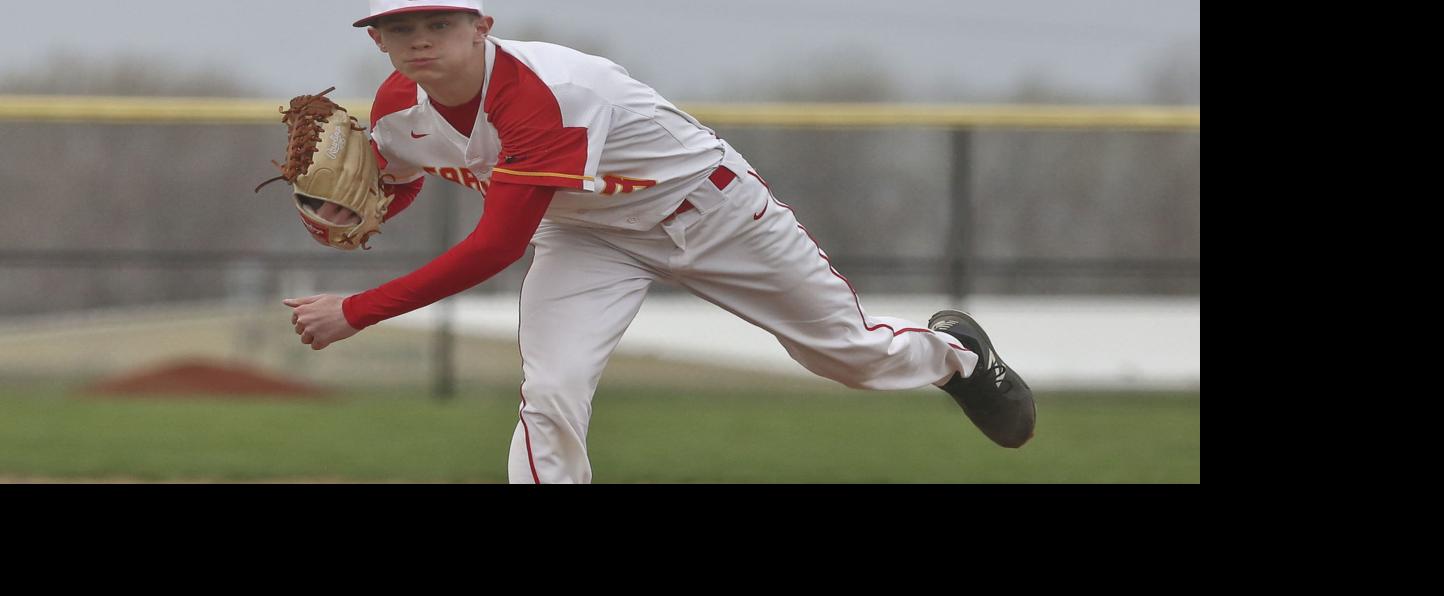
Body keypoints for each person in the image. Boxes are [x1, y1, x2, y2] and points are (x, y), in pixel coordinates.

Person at [284, 0, 1036, 483]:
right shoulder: (394, 107)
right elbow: (408, 170)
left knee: (848, 356)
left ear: (482, 27)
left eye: (438, 24)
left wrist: (358, 310)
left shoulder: (550, 92)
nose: (419, 41)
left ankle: (957, 358)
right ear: (377, 40)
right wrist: (362, 206)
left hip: (706, 214)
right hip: (584, 234)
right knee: (550, 390)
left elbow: (495, 248)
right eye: (399, 28)